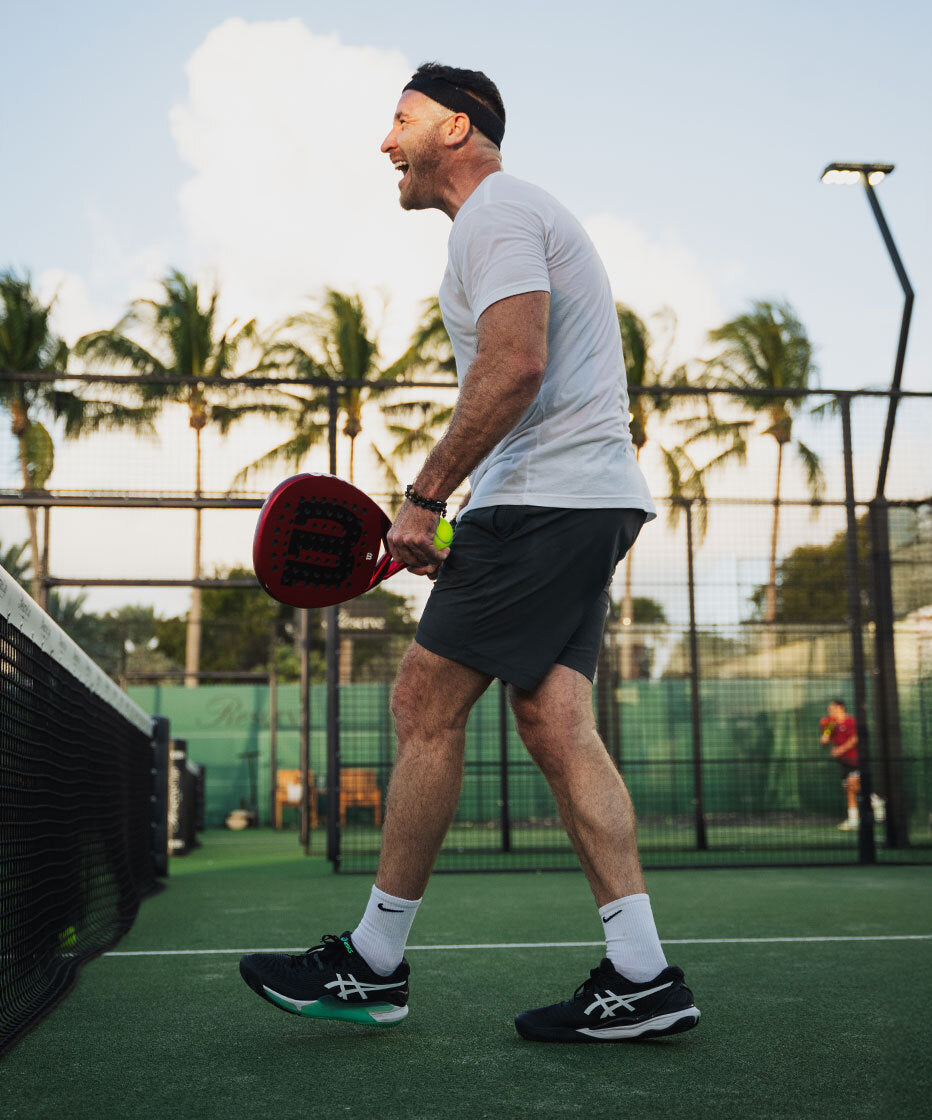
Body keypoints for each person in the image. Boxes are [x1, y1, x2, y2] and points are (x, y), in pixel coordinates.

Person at [240, 61, 699, 1043]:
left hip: (545, 505)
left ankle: (371, 964)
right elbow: (540, 383)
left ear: (456, 129)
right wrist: (457, 529)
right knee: (554, 722)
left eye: (399, 120)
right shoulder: (511, 217)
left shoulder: (495, 213)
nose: (384, 143)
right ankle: (642, 975)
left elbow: (516, 364)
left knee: (420, 704)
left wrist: (425, 497)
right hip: (579, 504)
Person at [820, 699, 884, 830]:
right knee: (851, 789)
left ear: (840, 708)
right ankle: (876, 802)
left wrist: (840, 749)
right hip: (843, 762)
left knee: (851, 787)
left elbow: (855, 738)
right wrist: (825, 736)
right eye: (829, 709)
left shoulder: (850, 721)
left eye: (832, 709)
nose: (830, 711)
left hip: (855, 760)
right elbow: (825, 739)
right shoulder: (831, 724)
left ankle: (854, 820)